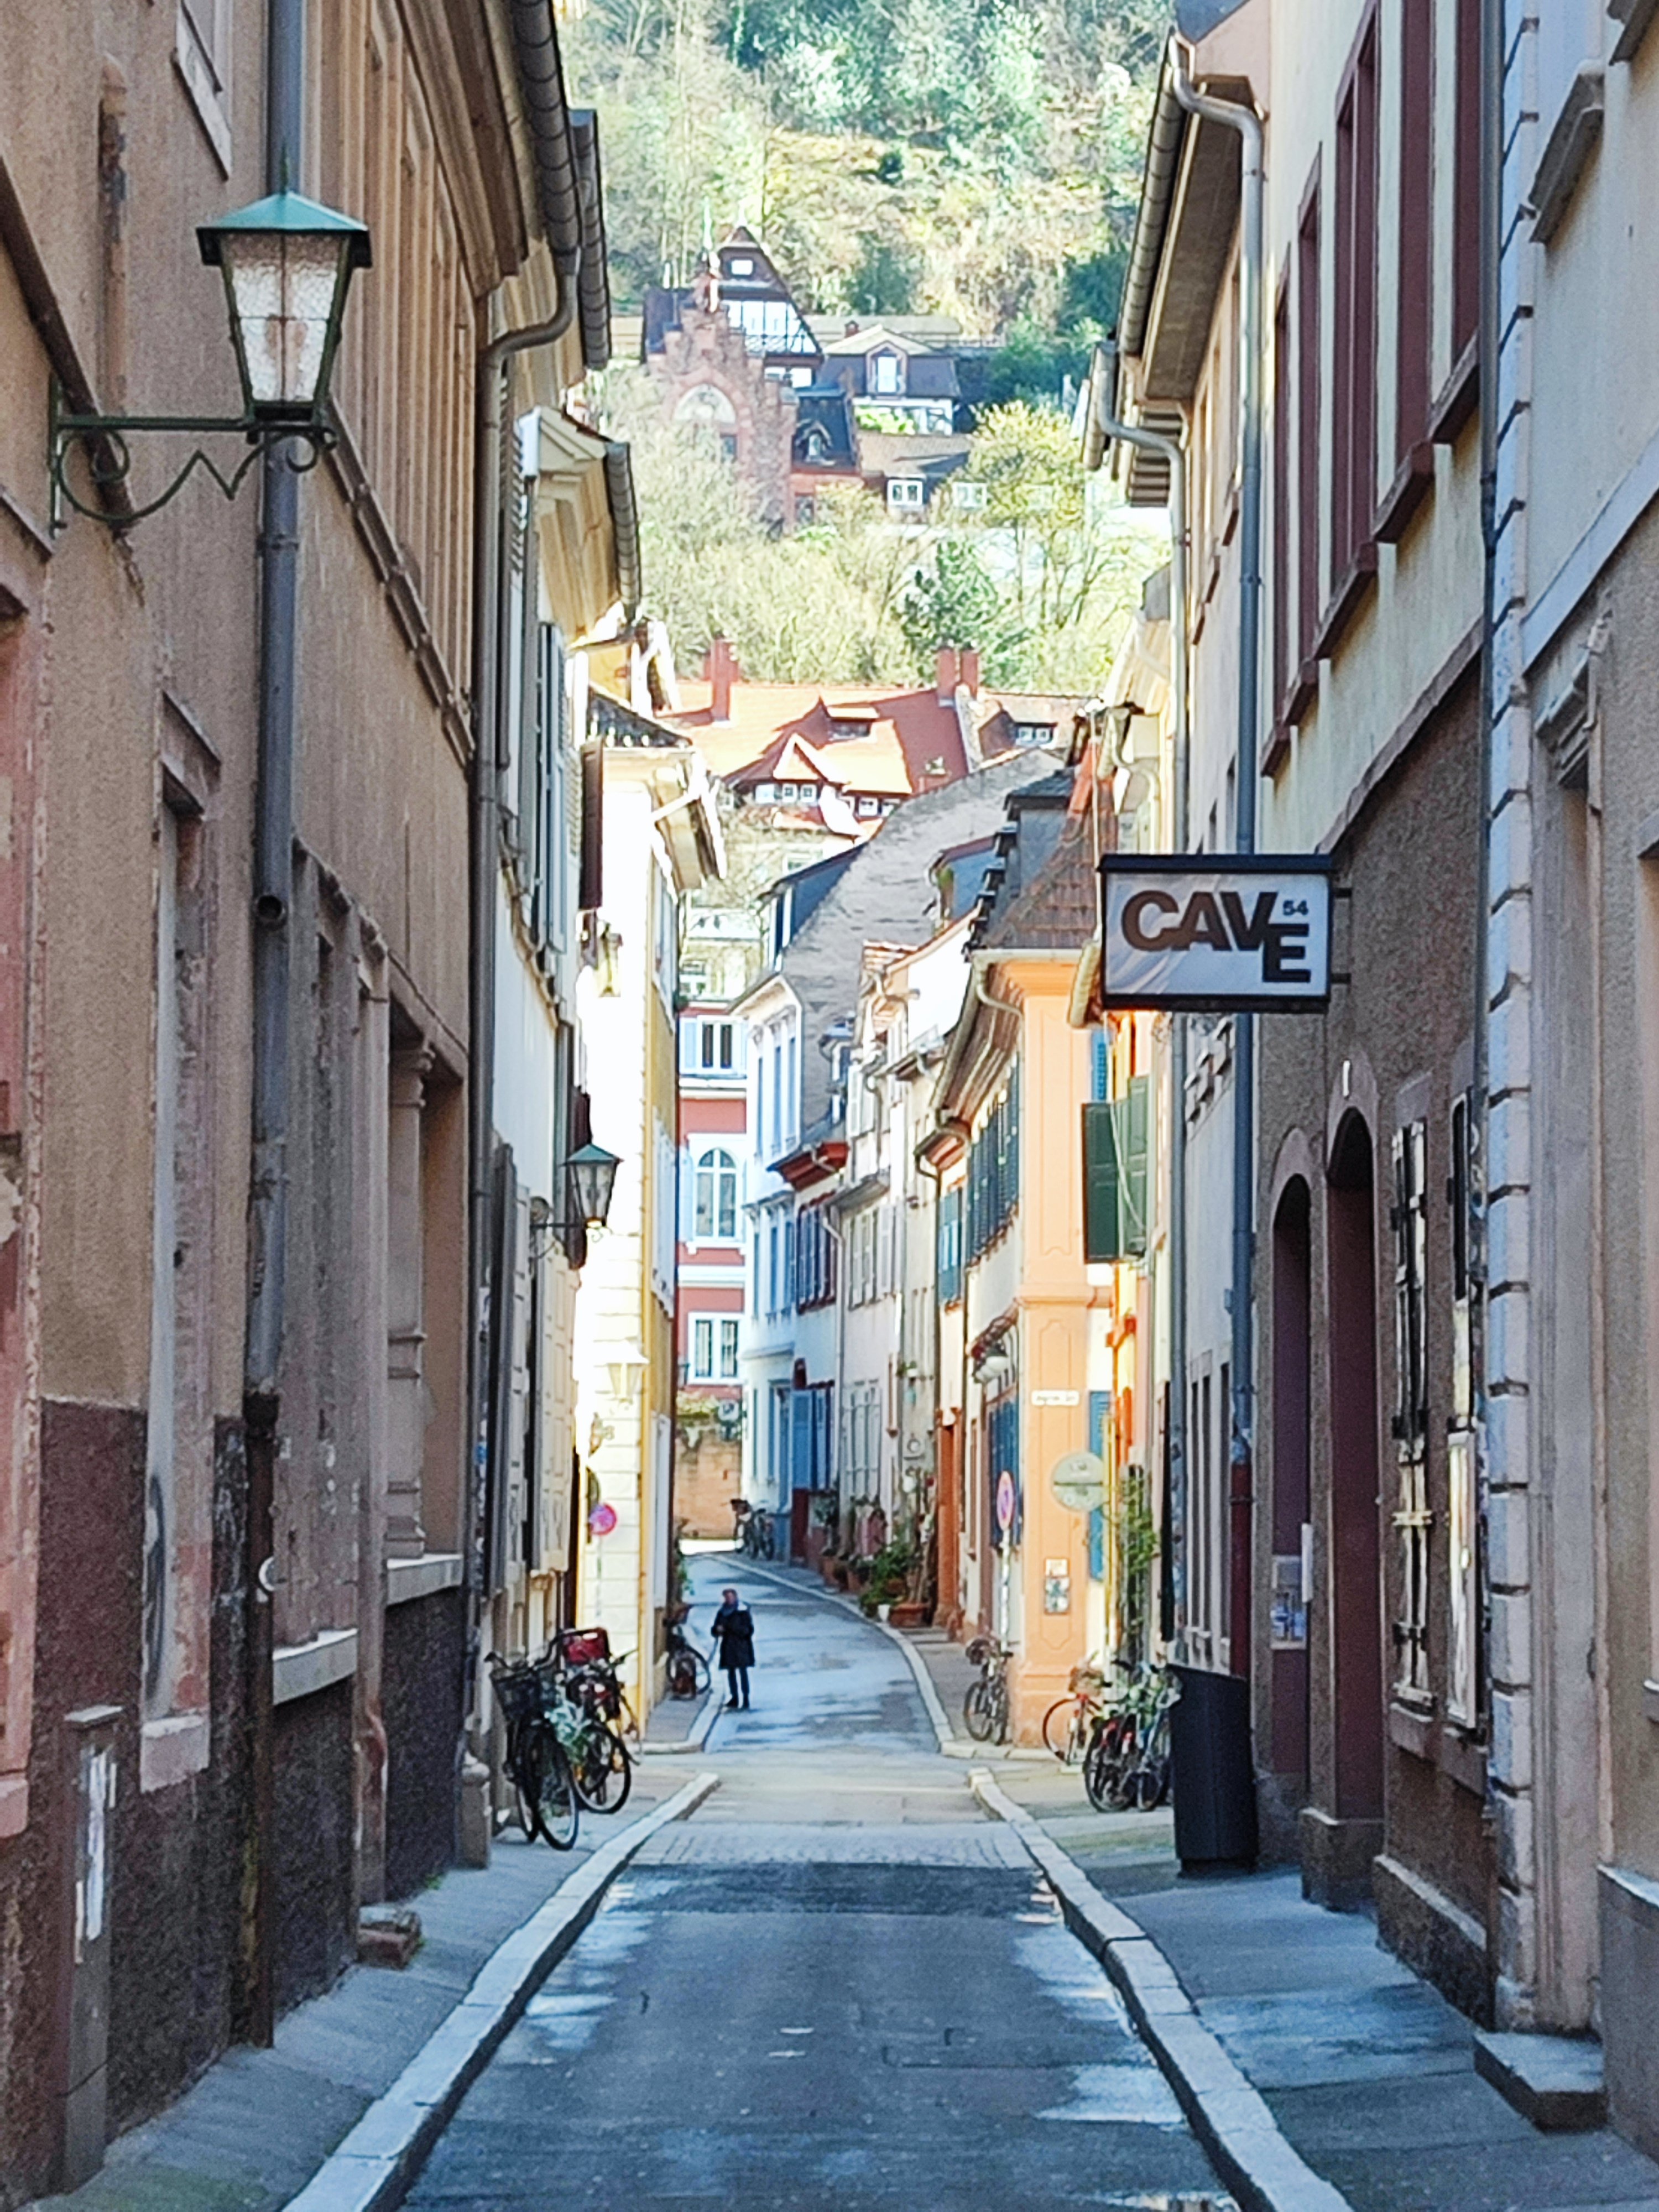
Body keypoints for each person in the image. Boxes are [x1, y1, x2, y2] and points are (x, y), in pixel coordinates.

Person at [709, 1586, 755, 1710]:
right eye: (727, 1597)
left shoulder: (743, 1612)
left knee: (743, 1673)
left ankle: (745, 1698)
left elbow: (748, 1630)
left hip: (742, 1647)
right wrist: (717, 1630)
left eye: (731, 1597)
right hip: (728, 1646)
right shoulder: (722, 1612)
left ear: (735, 1597)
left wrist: (729, 1628)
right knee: (731, 1673)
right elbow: (715, 1629)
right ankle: (734, 1697)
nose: (729, 1599)